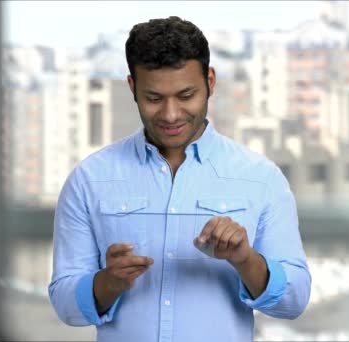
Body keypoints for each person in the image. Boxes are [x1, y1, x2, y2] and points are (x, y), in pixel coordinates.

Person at [48, 16, 311, 342]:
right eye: (154, 98)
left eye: (186, 95)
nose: (171, 114)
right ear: (132, 88)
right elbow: (63, 301)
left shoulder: (261, 178)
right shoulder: (89, 179)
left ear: (210, 82)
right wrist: (108, 281)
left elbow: (295, 299)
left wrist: (245, 260)